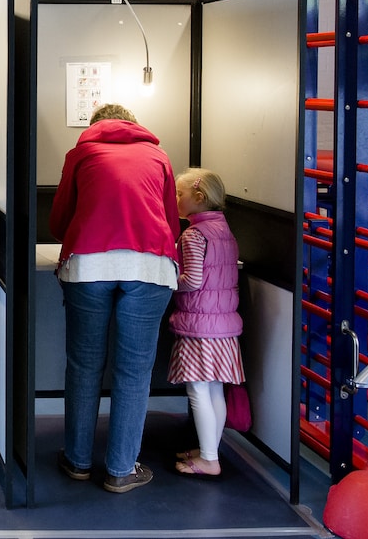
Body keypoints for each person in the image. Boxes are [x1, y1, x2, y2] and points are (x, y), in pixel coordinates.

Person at [48, 103, 179, 494]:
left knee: (84, 366)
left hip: (88, 267)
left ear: (95, 126)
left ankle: (77, 461)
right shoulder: (158, 156)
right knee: (134, 372)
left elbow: (58, 222)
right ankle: (121, 470)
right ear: (133, 124)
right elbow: (171, 223)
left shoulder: (82, 153)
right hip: (149, 268)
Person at [167, 168, 244, 479]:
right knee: (214, 390)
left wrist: (168, 279)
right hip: (223, 324)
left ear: (198, 199)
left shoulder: (193, 234)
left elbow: (193, 280)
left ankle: (209, 460)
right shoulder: (224, 231)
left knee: (198, 390)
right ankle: (210, 449)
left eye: (179, 194)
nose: (175, 200)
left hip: (199, 325)